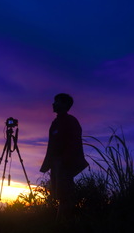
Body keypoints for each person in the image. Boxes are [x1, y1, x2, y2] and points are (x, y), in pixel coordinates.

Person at [40, 93, 88, 221]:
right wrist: (49, 164)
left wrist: (64, 162)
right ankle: (60, 223)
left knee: (65, 196)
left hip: (65, 164)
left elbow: (74, 143)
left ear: (65, 105)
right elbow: (52, 146)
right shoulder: (56, 122)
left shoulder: (71, 121)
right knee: (59, 195)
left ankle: (63, 224)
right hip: (57, 164)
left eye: (57, 101)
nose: (53, 104)